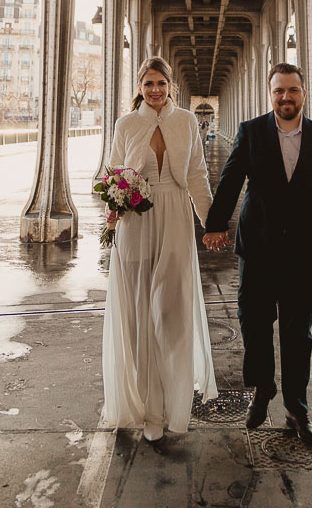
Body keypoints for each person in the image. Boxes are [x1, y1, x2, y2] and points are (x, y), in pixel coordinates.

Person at [203, 63, 312, 444]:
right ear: (271, 94)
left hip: (304, 253)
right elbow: (231, 180)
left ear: (303, 93)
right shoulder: (251, 132)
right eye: (279, 91)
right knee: (254, 323)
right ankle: (262, 391)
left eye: (292, 90)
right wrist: (214, 225)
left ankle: (298, 409)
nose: (285, 97)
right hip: (259, 248)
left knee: (298, 333)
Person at [102, 56, 218, 443]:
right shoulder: (126, 124)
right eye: (148, 83)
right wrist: (113, 209)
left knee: (172, 313)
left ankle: (174, 407)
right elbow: (112, 172)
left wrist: (211, 223)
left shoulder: (185, 122)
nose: (155, 90)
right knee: (139, 313)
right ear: (139, 86)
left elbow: (198, 175)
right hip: (136, 220)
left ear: (172, 86)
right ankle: (150, 411)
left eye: (161, 83)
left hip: (174, 217)